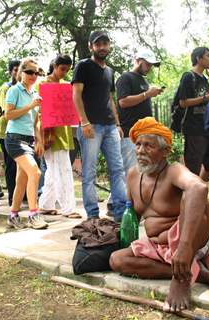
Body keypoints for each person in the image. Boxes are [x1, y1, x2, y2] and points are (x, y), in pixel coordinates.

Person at [109, 117, 209, 313]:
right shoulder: (132, 175)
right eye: (138, 144)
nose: (140, 150)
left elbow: (198, 187)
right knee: (117, 260)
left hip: (194, 240)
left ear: (165, 152)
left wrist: (183, 248)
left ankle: (181, 277)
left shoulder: (174, 171)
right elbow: (131, 218)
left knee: (193, 197)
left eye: (149, 146)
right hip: (161, 247)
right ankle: (196, 272)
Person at [72, 30, 127, 222]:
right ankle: (93, 215)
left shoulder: (109, 71)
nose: (102, 47)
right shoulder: (83, 66)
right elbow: (76, 95)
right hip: (91, 126)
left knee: (118, 169)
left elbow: (110, 98)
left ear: (109, 45)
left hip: (110, 126)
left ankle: (121, 213)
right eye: (98, 44)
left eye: (105, 43)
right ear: (91, 46)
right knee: (89, 172)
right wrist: (84, 121)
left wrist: (117, 123)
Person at [5, 58, 47, 230]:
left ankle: (13, 216)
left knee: (22, 181)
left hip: (29, 140)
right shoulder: (14, 90)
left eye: (36, 72)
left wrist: (39, 140)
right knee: (35, 172)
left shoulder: (36, 95)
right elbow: (8, 115)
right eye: (29, 72)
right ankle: (33, 214)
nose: (33, 75)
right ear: (21, 72)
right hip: (14, 139)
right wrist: (31, 106)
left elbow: (36, 121)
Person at [38, 54, 81, 219]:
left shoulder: (66, 85)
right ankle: (68, 208)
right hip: (49, 133)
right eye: (62, 69)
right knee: (63, 170)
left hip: (64, 131)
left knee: (52, 171)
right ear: (54, 66)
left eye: (67, 70)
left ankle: (46, 205)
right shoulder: (42, 84)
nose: (64, 73)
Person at [179, 47, 209, 181]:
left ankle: (199, 187)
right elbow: (183, 102)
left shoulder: (205, 78)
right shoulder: (188, 77)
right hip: (194, 129)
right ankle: (190, 195)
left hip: (208, 128)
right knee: (193, 167)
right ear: (199, 58)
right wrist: (204, 98)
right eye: (208, 55)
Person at [116, 49, 163, 174]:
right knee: (129, 171)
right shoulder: (125, 78)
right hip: (129, 133)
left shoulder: (143, 80)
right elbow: (123, 102)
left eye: (151, 65)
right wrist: (147, 94)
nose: (149, 68)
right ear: (138, 61)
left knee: (142, 171)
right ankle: (123, 194)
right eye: (147, 64)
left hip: (144, 133)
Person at [0, 60, 20, 206]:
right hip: (6, 132)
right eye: (15, 70)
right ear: (10, 72)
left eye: (20, 70)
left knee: (19, 165)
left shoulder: (23, 88)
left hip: (20, 132)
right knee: (11, 166)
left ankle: (20, 195)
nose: (18, 73)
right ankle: (12, 197)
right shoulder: (6, 88)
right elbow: (7, 112)